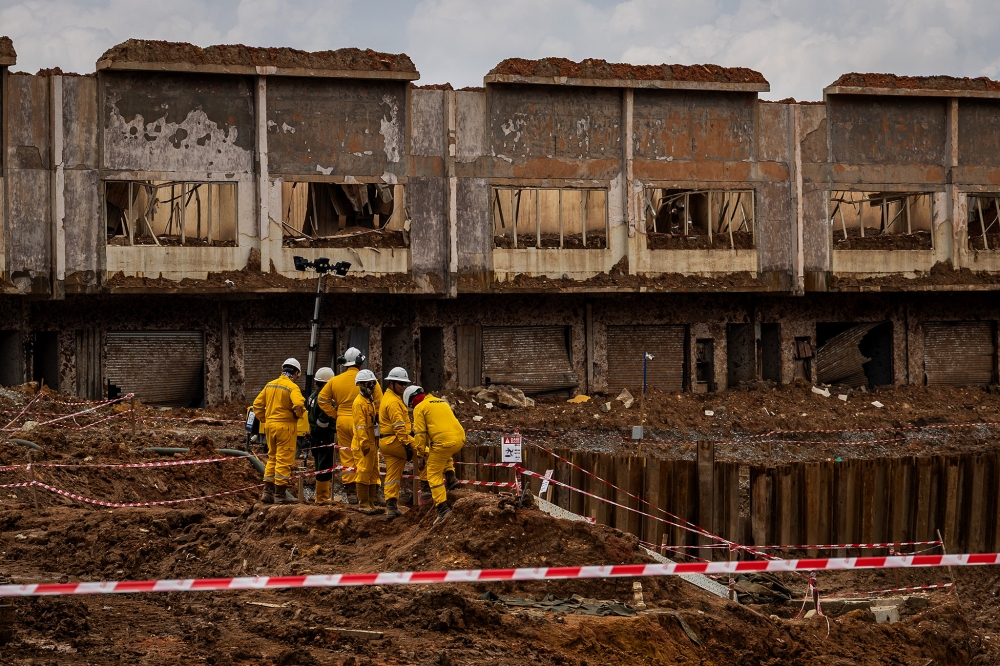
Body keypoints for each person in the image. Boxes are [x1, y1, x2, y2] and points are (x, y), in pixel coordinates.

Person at [317, 348, 382, 504]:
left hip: (343, 421)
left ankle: (351, 493)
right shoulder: (369, 380)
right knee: (369, 457)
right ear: (360, 362)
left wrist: (335, 414)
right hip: (363, 422)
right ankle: (373, 492)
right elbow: (380, 402)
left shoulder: (334, 381)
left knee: (347, 457)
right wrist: (374, 418)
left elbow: (322, 399)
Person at [404, 385, 465, 525]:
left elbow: (420, 435)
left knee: (433, 473)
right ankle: (451, 477)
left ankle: (442, 509)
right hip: (460, 438)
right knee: (443, 452)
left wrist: (420, 455)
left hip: (444, 442)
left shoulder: (420, 408)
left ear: (411, 401)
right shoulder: (441, 401)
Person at [252, 358, 306, 505]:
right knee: (283, 459)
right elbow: (299, 404)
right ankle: (280, 495)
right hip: (285, 427)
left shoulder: (270, 385)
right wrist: (298, 414)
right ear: (295, 373)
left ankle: (267, 492)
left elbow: (256, 405)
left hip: (270, 426)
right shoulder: (292, 387)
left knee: (272, 458)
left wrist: (264, 419)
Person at [378, 367, 414, 520]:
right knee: (428, 452)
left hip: (387, 441)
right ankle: (429, 491)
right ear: (392, 383)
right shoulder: (393, 402)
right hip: (396, 440)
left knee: (392, 475)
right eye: (401, 384)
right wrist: (408, 443)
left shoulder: (390, 397)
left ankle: (391, 507)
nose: (403, 387)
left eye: (405, 384)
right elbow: (399, 426)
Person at [352, 369, 383, 515]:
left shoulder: (369, 401)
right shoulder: (359, 403)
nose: (373, 386)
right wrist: (364, 443)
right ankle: (363, 504)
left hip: (372, 441)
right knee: (364, 472)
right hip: (363, 443)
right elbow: (360, 426)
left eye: (373, 383)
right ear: (362, 385)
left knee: (373, 473)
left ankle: (371, 503)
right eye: (370, 384)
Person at [305, 366, 336, 504]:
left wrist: (312, 433)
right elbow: (323, 421)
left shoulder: (312, 397)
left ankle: (321, 497)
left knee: (319, 464)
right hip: (323, 435)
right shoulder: (324, 399)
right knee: (324, 466)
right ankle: (322, 498)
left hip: (315, 436)